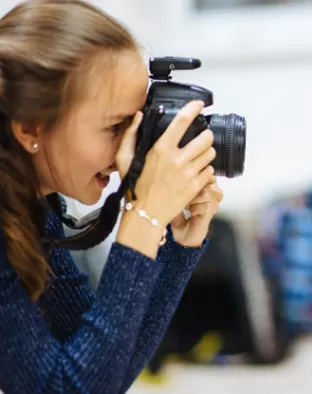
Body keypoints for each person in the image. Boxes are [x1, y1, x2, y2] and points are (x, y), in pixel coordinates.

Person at [0, 1, 224, 393]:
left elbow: (102, 370)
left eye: (139, 124)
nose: (132, 152)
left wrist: (178, 243)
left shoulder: (31, 206)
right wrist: (142, 219)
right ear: (31, 127)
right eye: (116, 126)